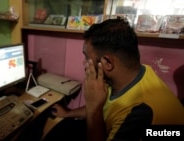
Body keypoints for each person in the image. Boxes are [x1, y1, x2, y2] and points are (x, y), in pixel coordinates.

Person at [43, 18, 184, 141]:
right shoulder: (135, 72)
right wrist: (68, 113)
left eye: (87, 57)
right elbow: (106, 107)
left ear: (108, 63)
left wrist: (93, 106)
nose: (84, 63)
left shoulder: (140, 113)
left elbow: (99, 108)